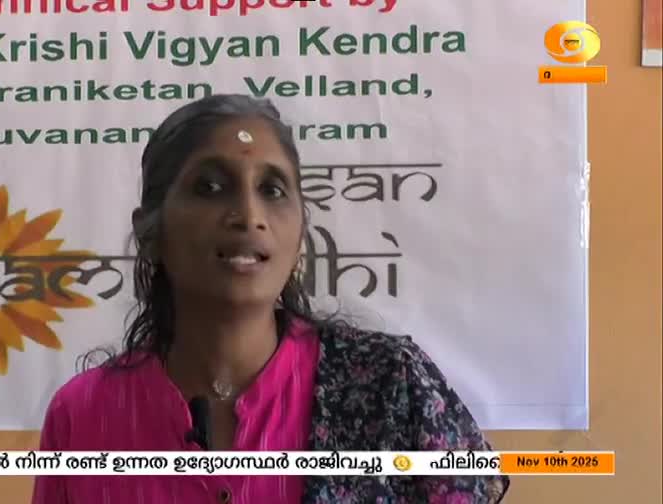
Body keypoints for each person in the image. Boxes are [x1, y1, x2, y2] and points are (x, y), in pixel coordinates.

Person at [31, 94, 510, 503]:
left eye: (273, 189)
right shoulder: (84, 413)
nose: (248, 215)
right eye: (211, 187)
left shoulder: (392, 384)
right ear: (150, 230)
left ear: (300, 231)